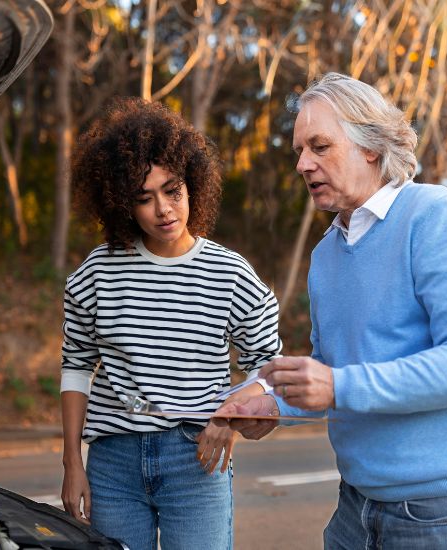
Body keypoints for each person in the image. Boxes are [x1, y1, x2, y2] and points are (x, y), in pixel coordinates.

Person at [219, 72, 447, 549]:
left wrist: (337, 385)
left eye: (320, 146)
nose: (303, 164)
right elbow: (332, 369)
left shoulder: (437, 216)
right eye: (299, 151)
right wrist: (275, 406)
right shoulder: (325, 255)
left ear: (371, 148)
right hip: (356, 508)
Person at [58, 97, 282, 550]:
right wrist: (71, 464)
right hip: (112, 463)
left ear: (192, 185)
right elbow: (76, 368)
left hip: (197, 457)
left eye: (172, 190)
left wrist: (230, 415)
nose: (163, 209)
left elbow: (269, 366)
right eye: (144, 198)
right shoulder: (98, 273)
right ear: (122, 204)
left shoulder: (231, 274)